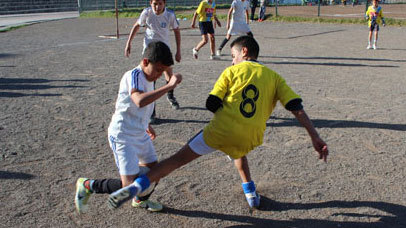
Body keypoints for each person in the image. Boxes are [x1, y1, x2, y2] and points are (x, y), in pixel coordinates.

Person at [107, 36, 329, 210]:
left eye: (233, 55)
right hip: (251, 136)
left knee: (176, 160)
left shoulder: (232, 71)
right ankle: (250, 193)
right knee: (238, 151)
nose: (232, 60)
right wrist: (315, 137)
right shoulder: (275, 77)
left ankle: (137, 187)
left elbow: (211, 103)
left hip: (221, 131)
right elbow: (296, 107)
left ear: (244, 52)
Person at [74, 41, 182, 214]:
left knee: (155, 172)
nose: (159, 75)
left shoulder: (149, 76)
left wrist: (145, 124)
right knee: (130, 185)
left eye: (163, 71)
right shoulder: (134, 75)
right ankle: (88, 185)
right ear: (145, 62)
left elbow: (142, 105)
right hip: (122, 134)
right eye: (158, 70)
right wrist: (169, 86)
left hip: (139, 132)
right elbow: (139, 100)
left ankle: (139, 200)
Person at [125, 0, 182, 123]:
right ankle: (152, 112)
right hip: (150, 51)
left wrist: (178, 51)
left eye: (160, 3)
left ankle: (170, 96)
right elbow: (136, 26)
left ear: (164, 4)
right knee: (150, 80)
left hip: (164, 50)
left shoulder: (169, 15)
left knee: (169, 75)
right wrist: (128, 43)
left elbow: (177, 31)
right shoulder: (146, 13)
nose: (157, 6)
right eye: (155, 3)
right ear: (151, 3)